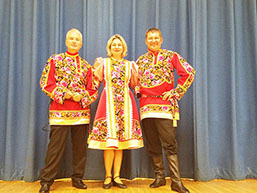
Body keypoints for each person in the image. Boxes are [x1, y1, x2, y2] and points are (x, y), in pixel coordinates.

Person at [136, 28, 195, 193]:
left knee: (169, 143)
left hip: (164, 108)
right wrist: (138, 89)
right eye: (150, 38)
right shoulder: (140, 61)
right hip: (146, 109)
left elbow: (189, 73)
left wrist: (176, 92)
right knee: (153, 143)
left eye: (156, 38)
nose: (153, 41)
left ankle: (176, 181)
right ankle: (160, 177)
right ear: (146, 41)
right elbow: (136, 82)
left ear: (161, 39)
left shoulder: (171, 56)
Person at [39, 28, 98, 193]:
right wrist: (66, 94)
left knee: (80, 148)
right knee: (55, 148)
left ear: (81, 43)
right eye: (71, 38)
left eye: (77, 39)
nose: (74, 41)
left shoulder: (86, 66)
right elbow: (46, 83)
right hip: (60, 112)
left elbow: (93, 90)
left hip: (81, 113)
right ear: (66, 41)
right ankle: (46, 180)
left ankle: (77, 178)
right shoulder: (55, 60)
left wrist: (82, 96)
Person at [87, 34, 144, 189]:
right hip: (108, 105)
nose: (117, 47)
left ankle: (117, 176)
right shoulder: (103, 63)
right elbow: (93, 83)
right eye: (114, 45)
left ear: (123, 48)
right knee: (109, 143)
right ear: (110, 48)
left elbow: (135, 85)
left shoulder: (130, 66)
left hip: (126, 105)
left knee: (120, 143)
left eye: (119, 45)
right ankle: (108, 176)